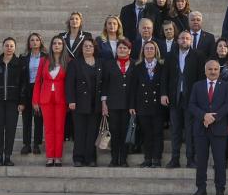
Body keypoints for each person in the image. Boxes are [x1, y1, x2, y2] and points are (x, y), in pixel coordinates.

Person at [190, 58, 228, 195]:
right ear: (205, 71)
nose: (213, 71)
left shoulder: (226, 85)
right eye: (210, 69)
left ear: (219, 71)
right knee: (201, 161)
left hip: (219, 129)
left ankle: (220, 189)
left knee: (220, 161)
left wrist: (214, 117)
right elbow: (191, 105)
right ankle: (201, 189)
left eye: (215, 69)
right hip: (201, 129)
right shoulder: (197, 86)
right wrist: (204, 116)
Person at [0, 37, 27, 167]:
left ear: (15, 48)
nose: (9, 48)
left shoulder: (20, 64)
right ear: (3, 47)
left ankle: (7, 156)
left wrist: (22, 102)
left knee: (10, 129)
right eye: (7, 45)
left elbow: (23, 84)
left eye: (11, 46)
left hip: (13, 102)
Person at [164, 30, 199, 169]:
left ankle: (191, 159)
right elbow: (164, 76)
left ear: (191, 41)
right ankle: (175, 158)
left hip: (191, 98)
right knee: (175, 130)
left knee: (190, 130)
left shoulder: (197, 55)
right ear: (177, 41)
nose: (184, 40)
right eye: (182, 38)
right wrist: (163, 94)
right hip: (175, 97)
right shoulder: (170, 55)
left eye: (187, 38)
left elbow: (200, 78)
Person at [33, 35, 68, 167]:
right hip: (45, 98)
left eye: (59, 43)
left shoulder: (68, 61)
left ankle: (58, 157)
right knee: (48, 129)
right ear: (51, 46)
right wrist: (35, 100)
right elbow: (37, 81)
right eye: (54, 43)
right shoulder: (44, 60)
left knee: (59, 129)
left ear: (63, 46)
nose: (57, 45)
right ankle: (50, 157)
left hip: (61, 99)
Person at [130, 41, 167, 167]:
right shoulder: (137, 66)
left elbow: (164, 84)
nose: (149, 50)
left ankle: (156, 159)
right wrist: (132, 105)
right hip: (142, 105)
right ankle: (147, 158)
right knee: (147, 133)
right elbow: (133, 88)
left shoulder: (162, 66)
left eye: (152, 48)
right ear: (143, 51)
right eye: (147, 49)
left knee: (157, 132)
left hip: (158, 105)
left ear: (156, 50)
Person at [66, 37, 102, 167]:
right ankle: (78, 158)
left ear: (94, 48)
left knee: (92, 132)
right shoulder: (75, 63)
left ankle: (91, 158)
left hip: (95, 103)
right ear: (81, 48)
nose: (88, 48)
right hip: (79, 103)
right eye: (85, 46)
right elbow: (69, 84)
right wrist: (71, 100)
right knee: (80, 132)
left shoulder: (99, 62)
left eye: (90, 46)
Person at [100, 39, 135, 168]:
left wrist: (133, 105)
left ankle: (123, 159)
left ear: (129, 50)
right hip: (112, 104)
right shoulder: (109, 64)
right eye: (120, 48)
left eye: (125, 48)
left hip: (128, 106)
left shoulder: (134, 64)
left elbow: (135, 87)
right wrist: (104, 103)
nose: (122, 50)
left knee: (125, 132)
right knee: (114, 132)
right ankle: (114, 159)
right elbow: (104, 85)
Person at [19, 32, 45, 156]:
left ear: (41, 42)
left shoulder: (46, 57)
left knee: (39, 118)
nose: (34, 42)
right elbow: (20, 79)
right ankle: (26, 144)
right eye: (32, 40)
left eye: (37, 40)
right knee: (26, 118)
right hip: (27, 89)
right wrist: (21, 99)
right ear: (29, 43)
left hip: (40, 88)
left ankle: (36, 144)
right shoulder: (23, 57)